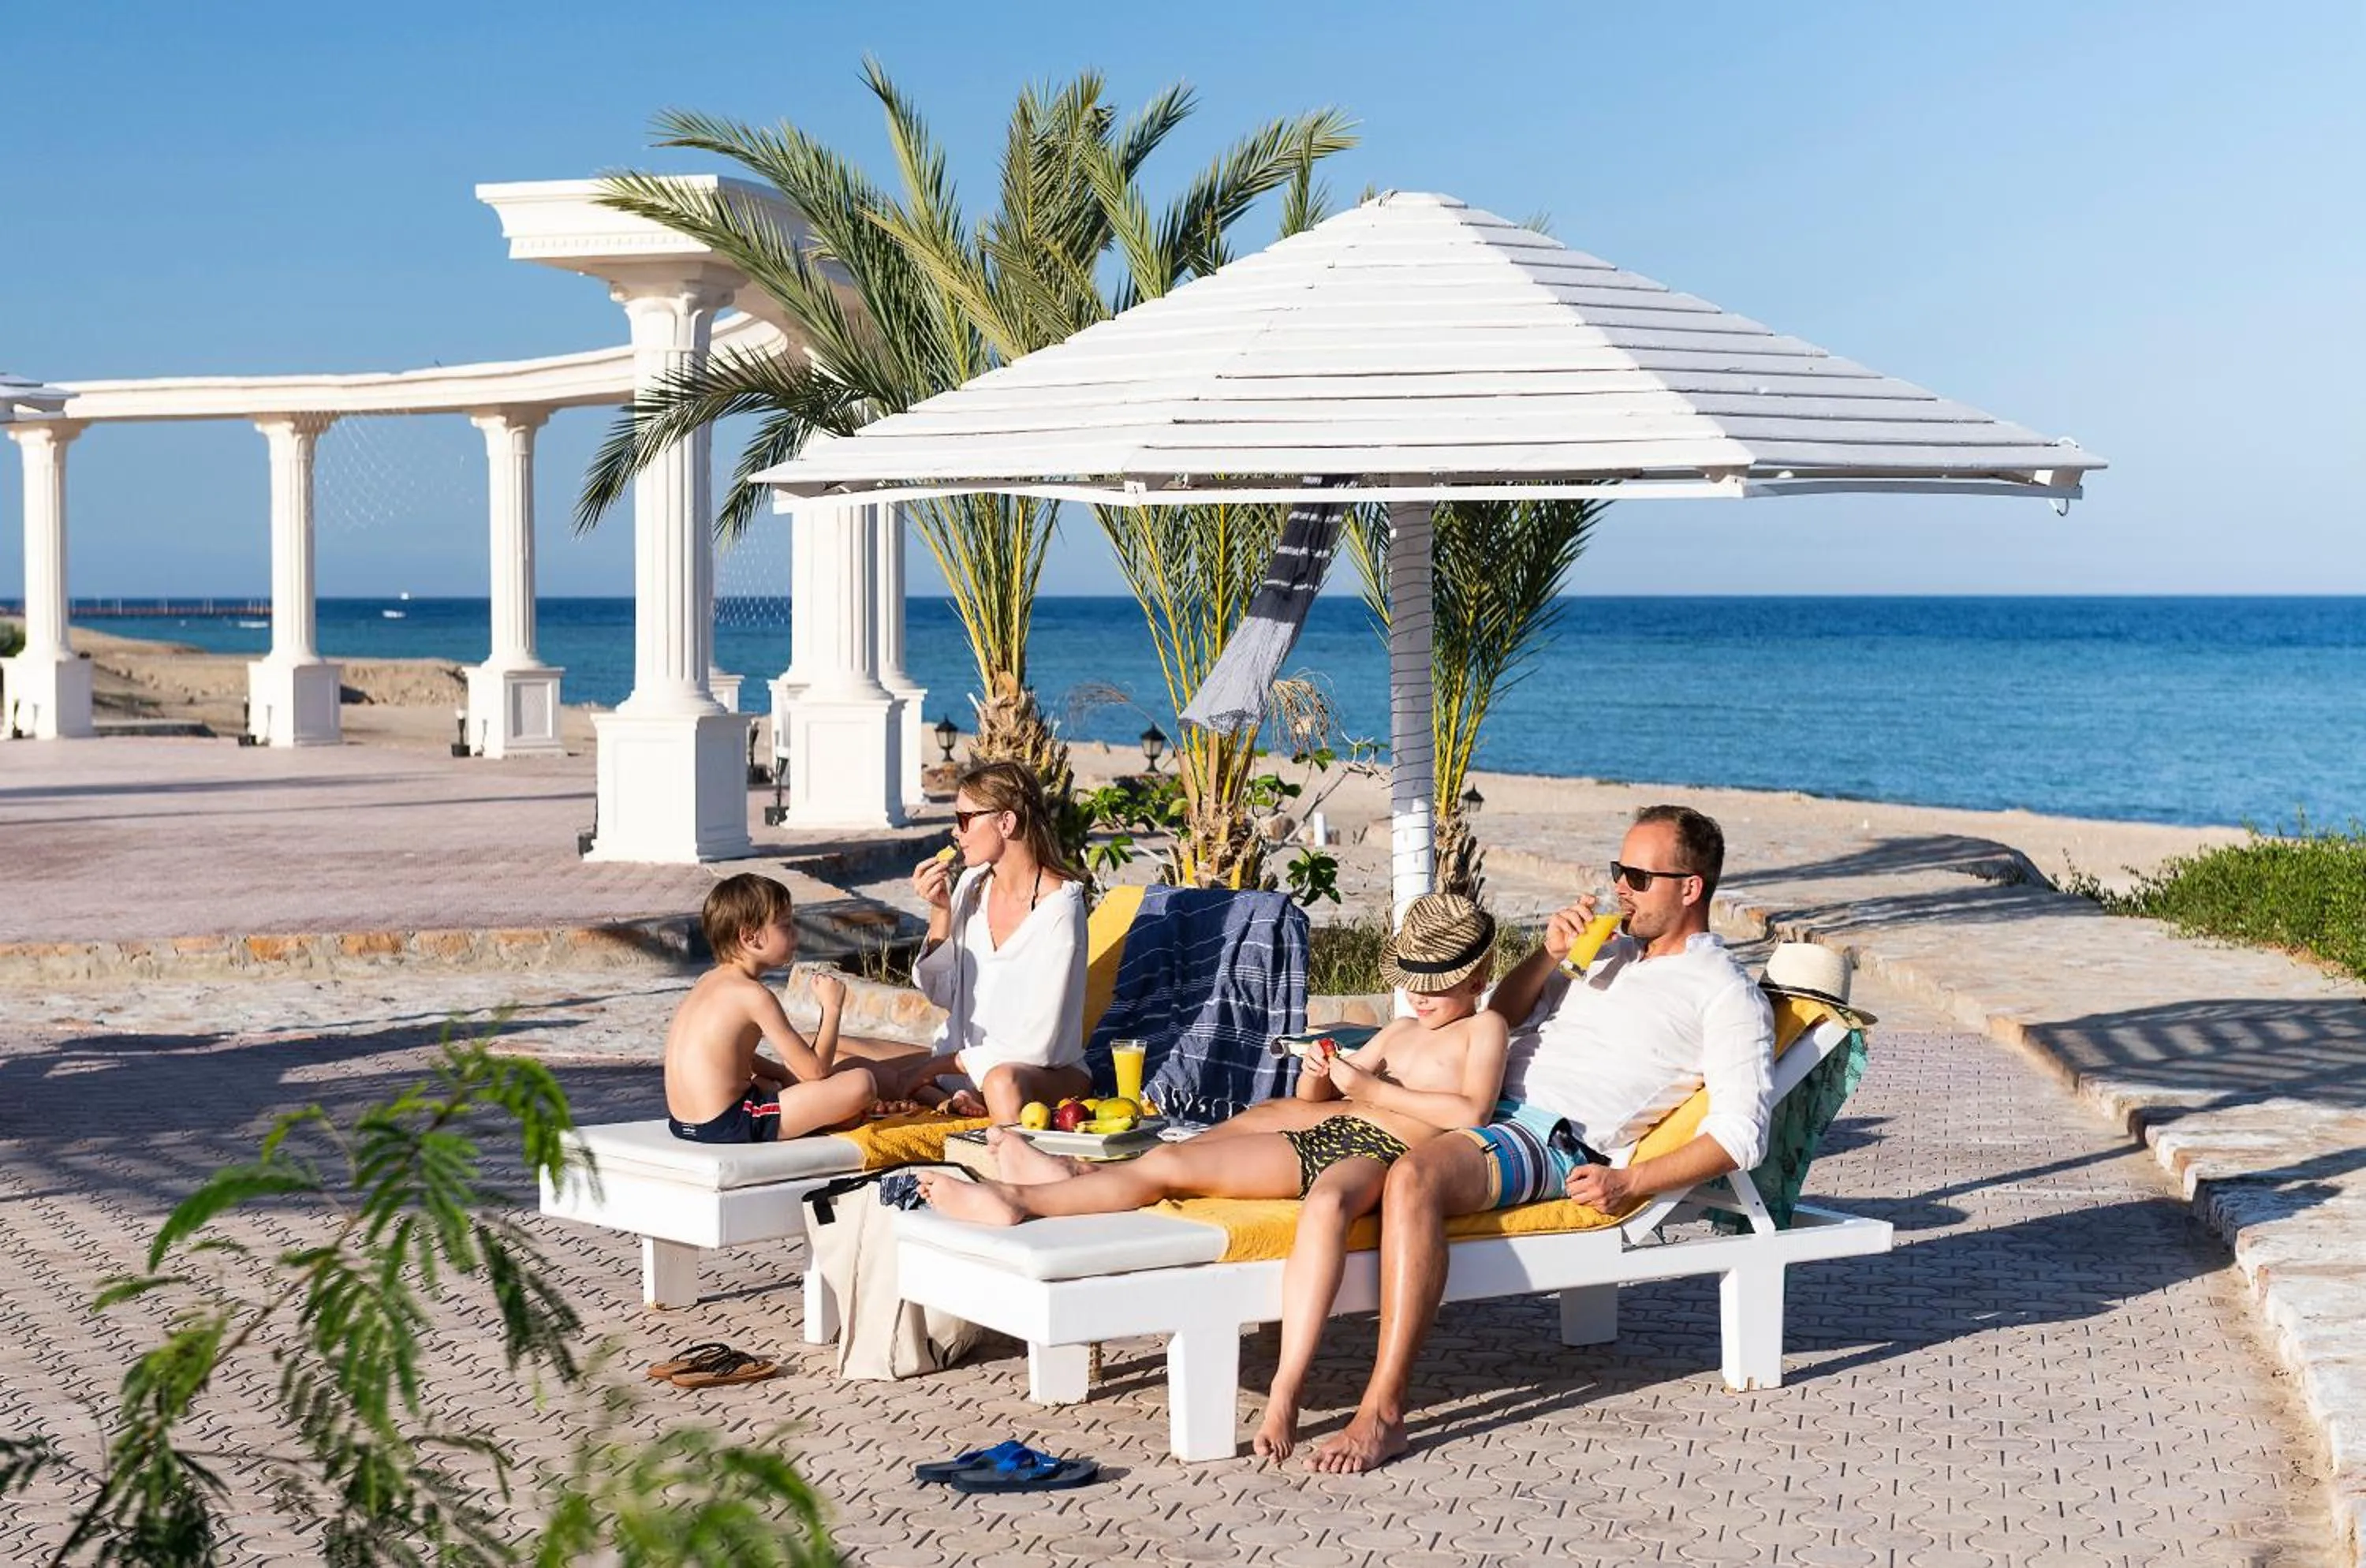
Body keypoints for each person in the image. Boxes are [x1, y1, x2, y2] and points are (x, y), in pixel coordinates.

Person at [918, 893, 1510, 1464]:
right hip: (1330, 1131)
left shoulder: (1483, 1031)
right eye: (1413, 978)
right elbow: (1319, 1096)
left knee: (1328, 1203)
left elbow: (1472, 1112)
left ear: (1478, 976)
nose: (1422, 993)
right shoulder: (1400, 1032)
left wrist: (1373, 1090)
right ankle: (1020, 1198)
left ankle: (1286, 1390)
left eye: (1439, 980)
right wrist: (1321, 1072)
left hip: (1384, 1153)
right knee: (1169, 1166)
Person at [1306, 805, 1776, 1473]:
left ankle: (1383, 1413)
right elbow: (1496, 1016)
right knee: (1302, 1135)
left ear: (1690, 886)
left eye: (1638, 877)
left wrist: (1632, 1181)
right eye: (1619, 871)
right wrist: (1549, 955)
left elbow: (1740, 1134)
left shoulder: (1725, 995)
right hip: (1480, 1098)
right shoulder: (1606, 953)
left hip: (1547, 1135)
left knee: (1413, 1178)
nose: (1621, 887)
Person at [853, 760, 1092, 1125]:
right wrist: (940, 911)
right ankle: (949, 1096)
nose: (955, 832)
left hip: (1033, 1073)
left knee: (1001, 1083)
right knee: (834, 1054)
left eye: (965, 820)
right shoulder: (972, 885)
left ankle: (945, 1095)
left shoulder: (1061, 909)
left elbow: (1040, 1043)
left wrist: (939, 1065)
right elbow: (944, 995)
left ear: (1006, 823)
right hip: (961, 1064)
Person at [663, 873, 881, 1143]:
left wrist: (783, 1076)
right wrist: (832, 1006)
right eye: (785, 926)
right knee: (861, 1083)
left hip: (683, 1123)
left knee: (774, 1082)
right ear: (751, 937)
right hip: (729, 1123)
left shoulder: (707, 981)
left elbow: (736, 1057)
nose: (795, 934)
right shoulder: (753, 996)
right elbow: (816, 1071)